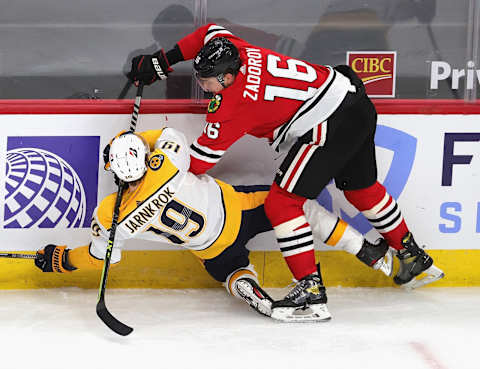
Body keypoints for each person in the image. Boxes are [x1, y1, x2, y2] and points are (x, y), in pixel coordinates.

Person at [126, 23, 445, 312]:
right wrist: (161, 62)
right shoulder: (232, 47)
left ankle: (310, 288)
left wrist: (157, 171)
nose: (202, 85)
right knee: (361, 190)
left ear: (226, 77)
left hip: (328, 124)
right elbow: (207, 31)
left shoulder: (232, 106)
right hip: (353, 100)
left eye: (206, 81)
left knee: (281, 204)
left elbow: (201, 161)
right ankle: (411, 255)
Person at [35, 128, 392, 322]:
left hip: (211, 251)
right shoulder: (165, 164)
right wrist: (132, 140)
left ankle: (254, 294)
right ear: (145, 159)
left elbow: (103, 258)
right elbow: (167, 133)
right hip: (240, 209)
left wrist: (61, 259)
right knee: (304, 211)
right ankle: (367, 250)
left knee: (235, 272)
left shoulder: (110, 213)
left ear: (112, 170)